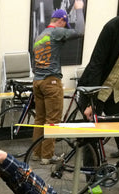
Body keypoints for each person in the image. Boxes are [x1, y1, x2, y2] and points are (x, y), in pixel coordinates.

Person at [32, 2, 84, 165]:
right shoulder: (56, 32)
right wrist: (79, 10)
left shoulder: (40, 35)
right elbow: (80, 31)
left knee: (40, 119)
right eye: (65, 23)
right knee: (53, 120)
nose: (65, 27)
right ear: (61, 20)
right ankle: (47, 156)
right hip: (51, 81)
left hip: (37, 81)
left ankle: (36, 152)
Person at [78, 11, 119, 181]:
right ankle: (91, 180)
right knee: (91, 137)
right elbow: (96, 64)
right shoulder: (112, 28)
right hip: (96, 89)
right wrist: (90, 101)